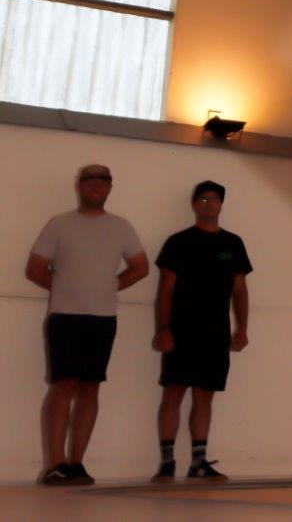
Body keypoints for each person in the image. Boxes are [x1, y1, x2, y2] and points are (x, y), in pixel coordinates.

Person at [25, 164, 148, 486]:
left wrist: (110, 287)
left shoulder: (121, 227)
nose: (96, 187)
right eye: (89, 181)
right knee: (63, 385)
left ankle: (77, 463)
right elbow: (35, 268)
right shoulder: (60, 224)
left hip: (103, 318)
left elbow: (140, 267)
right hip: (65, 318)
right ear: (80, 186)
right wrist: (65, 289)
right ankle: (54, 464)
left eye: (102, 182)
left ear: (110, 187)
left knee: (91, 387)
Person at [151, 180, 252, 483]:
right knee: (173, 393)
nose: (209, 204)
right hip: (180, 330)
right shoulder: (178, 242)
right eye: (203, 199)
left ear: (222, 205)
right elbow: (165, 290)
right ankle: (167, 462)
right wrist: (164, 328)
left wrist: (242, 329)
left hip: (215, 332)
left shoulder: (233, 244)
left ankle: (198, 462)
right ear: (194, 204)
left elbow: (240, 290)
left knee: (204, 396)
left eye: (214, 200)